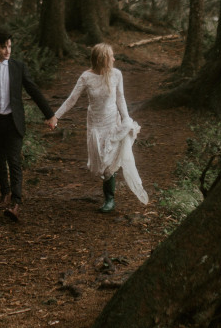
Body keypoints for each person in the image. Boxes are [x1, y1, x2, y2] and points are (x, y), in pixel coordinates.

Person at [49, 43, 148, 212]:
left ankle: (110, 199)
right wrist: (56, 116)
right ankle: (109, 194)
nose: (114, 59)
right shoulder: (86, 77)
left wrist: (126, 119)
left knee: (109, 160)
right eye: (111, 56)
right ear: (102, 59)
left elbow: (120, 98)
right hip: (95, 123)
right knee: (101, 161)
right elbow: (72, 99)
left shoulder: (116, 74)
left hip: (113, 122)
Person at [0, 28, 56, 221]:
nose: (8, 50)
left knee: (14, 161)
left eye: (9, 46)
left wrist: (49, 114)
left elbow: (33, 90)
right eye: (3, 47)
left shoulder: (18, 67)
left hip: (13, 121)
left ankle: (16, 204)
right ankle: (5, 193)